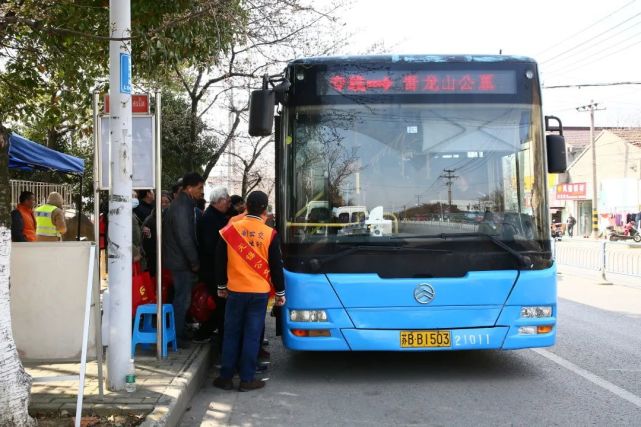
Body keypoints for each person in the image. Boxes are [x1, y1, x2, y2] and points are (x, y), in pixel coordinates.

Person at [213, 191, 285, 392]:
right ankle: (247, 379)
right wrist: (280, 293)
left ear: (246, 205)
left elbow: (219, 260)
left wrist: (221, 286)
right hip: (259, 293)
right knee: (252, 336)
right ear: (264, 209)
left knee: (231, 333)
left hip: (235, 291)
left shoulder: (230, 230)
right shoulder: (269, 233)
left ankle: (226, 377)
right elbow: (276, 266)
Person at [163, 172, 204, 348]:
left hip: (179, 260)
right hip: (180, 262)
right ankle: (176, 336)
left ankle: (179, 333)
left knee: (182, 299)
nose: (202, 192)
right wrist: (194, 261)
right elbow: (185, 237)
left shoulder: (185, 204)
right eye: (200, 188)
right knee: (182, 300)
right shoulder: (181, 206)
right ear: (189, 188)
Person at [193, 186, 231, 344]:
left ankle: (206, 333)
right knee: (220, 306)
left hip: (217, 269)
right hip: (213, 270)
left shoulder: (218, 216)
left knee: (220, 306)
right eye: (227, 200)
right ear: (219, 201)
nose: (229, 203)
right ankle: (214, 337)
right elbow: (211, 247)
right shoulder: (209, 218)